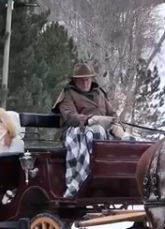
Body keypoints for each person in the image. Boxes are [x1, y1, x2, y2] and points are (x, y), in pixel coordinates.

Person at [51, 63, 137, 197]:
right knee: (96, 131)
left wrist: (118, 127)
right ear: (75, 80)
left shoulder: (99, 93)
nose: (86, 83)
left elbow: (113, 114)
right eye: (82, 80)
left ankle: (124, 180)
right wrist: (89, 120)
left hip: (103, 130)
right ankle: (80, 179)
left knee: (131, 139)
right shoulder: (67, 94)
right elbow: (69, 116)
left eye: (88, 79)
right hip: (75, 131)